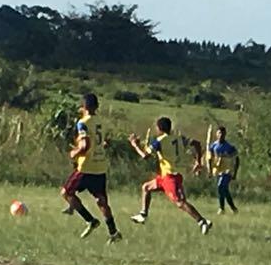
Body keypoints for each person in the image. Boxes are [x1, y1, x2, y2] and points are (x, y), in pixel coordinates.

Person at [128, 118, 212, 234]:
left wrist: (135, 145)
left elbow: (145, 156)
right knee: (146, 187)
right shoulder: (179, 138)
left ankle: (202, 221)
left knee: (179, 202)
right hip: (169, 175)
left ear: (159, 128)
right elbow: (197, 144)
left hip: (170, 176)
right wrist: (198, 162)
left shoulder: (159, 141)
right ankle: (143, 215)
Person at [61, 93, 121, 242]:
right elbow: (104, 142)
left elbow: (85, 145)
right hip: (100, 166)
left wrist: (74, 152)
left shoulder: (83, 123)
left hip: (86, 167)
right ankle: (113, 232)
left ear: (84, 107)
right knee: (101, 200)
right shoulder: (102, 122)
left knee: (66, 193)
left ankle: (90, 220)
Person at [208, 126, 238, 215]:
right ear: (216, 134)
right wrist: (210, 170)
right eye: (219, 133)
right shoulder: (213, 146)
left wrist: (235, 172)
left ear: (225, 134)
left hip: (227, 171)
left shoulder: (229, 147)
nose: (221, 135)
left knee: (220, 186)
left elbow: (236, 159)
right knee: (224, 190)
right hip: (217, 170)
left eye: (223, 133)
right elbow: (210, 159)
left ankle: (221, 208)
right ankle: (233, 208)